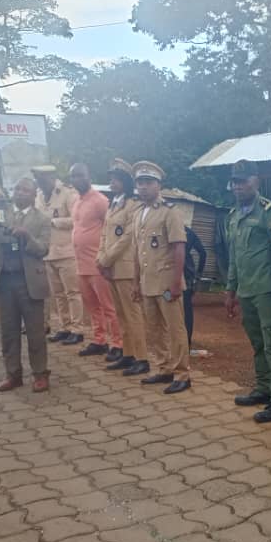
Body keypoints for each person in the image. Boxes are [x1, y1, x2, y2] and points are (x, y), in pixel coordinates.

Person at [224, 161, 271, 422]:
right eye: (235, 182)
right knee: (257, 343)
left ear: (256, 181)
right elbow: (234, 257)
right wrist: (230, 290)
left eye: (243, 181)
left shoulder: (269, 212)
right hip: (246, 291)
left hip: (267, 291)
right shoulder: (233, 216)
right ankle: (263, 388)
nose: (238, 186)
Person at [0, 180, 52, 393]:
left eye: (26, 190)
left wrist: (27, 236)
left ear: (34, 195)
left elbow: (43, 249)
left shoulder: (42, 219)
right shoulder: (0, 213)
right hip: (4, 280)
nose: (20, 193)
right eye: (17, 189)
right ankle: (13, 374)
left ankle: (40, 373)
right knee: (8, 331)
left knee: (35, 332)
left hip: (29, 281)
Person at [131, 160, 191, 394]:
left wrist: (176, 282)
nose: (143, 187)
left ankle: (182, 374)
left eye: (148, 182)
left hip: (167, 284)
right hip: (147, 282)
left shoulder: (169, 212)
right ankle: (164, 367)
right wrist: (135, 282)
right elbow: (137, 252)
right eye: (140, 182)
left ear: (158, 185)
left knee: (175, 329)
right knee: (153, 329)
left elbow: (179, 247)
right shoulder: (138, 213)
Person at [96, 158, 149, 376]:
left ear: (126, 182)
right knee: (121, 315)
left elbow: (127, 237)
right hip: (111, 267)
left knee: (133, 314)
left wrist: (106, 259)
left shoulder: (133, 204)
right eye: (111, 179)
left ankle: (142, 358)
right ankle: (128, 354)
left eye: (116, 179)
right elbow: (104, 234)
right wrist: (100, 257)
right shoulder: (113, 204)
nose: (112, 183)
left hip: (125, 267)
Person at [69, 163, 121, 361]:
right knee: (92, 306)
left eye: (80, 175)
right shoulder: (76, 201)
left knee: (108, 306)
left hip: (98, 264)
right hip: (81, 264)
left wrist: (106, 258)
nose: (77, 179)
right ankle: (99, 340)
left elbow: (111, 229)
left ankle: (118, 343)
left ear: (88, 176)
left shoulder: (100, 201)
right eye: (73, 176)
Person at [33, 165, 84, 345]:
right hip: (48, 252)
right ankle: (65, 327)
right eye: (38, 178)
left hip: (67, 251)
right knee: (58, 295)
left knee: (73, 293)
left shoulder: (68, 194)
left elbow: (77, 219)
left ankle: (77, 329)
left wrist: (54, 222)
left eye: (43, 178)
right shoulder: (38, 195)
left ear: (52, 176)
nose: (40, 182)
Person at [183, 222, 207, 347]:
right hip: (188, 273)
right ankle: (187, 340)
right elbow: (203, 253)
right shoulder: (189, 232)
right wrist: (198, 274)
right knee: (186, 307)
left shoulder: (165, 229)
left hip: (169, 273)